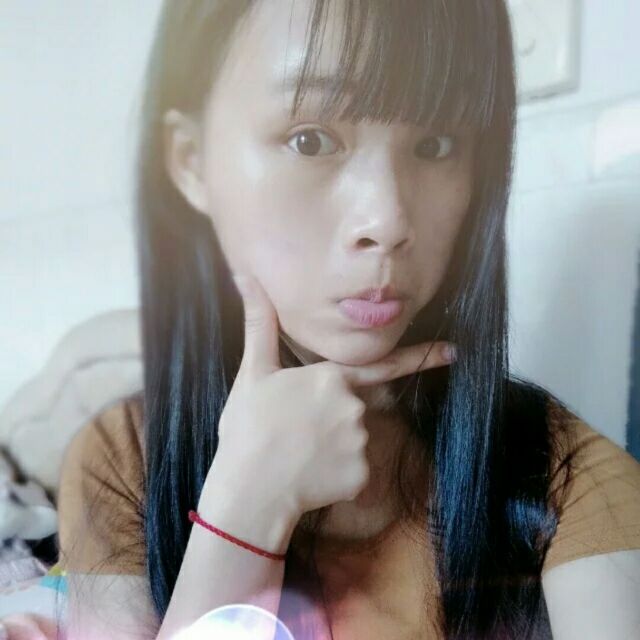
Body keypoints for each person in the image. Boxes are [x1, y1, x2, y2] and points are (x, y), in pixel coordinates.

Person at [54, 1, 640, 639]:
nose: (387, 220)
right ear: (192, 162)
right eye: (309, 139)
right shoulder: (125, 459)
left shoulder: (565, 473)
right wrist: (245, 513)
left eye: (436, 144)